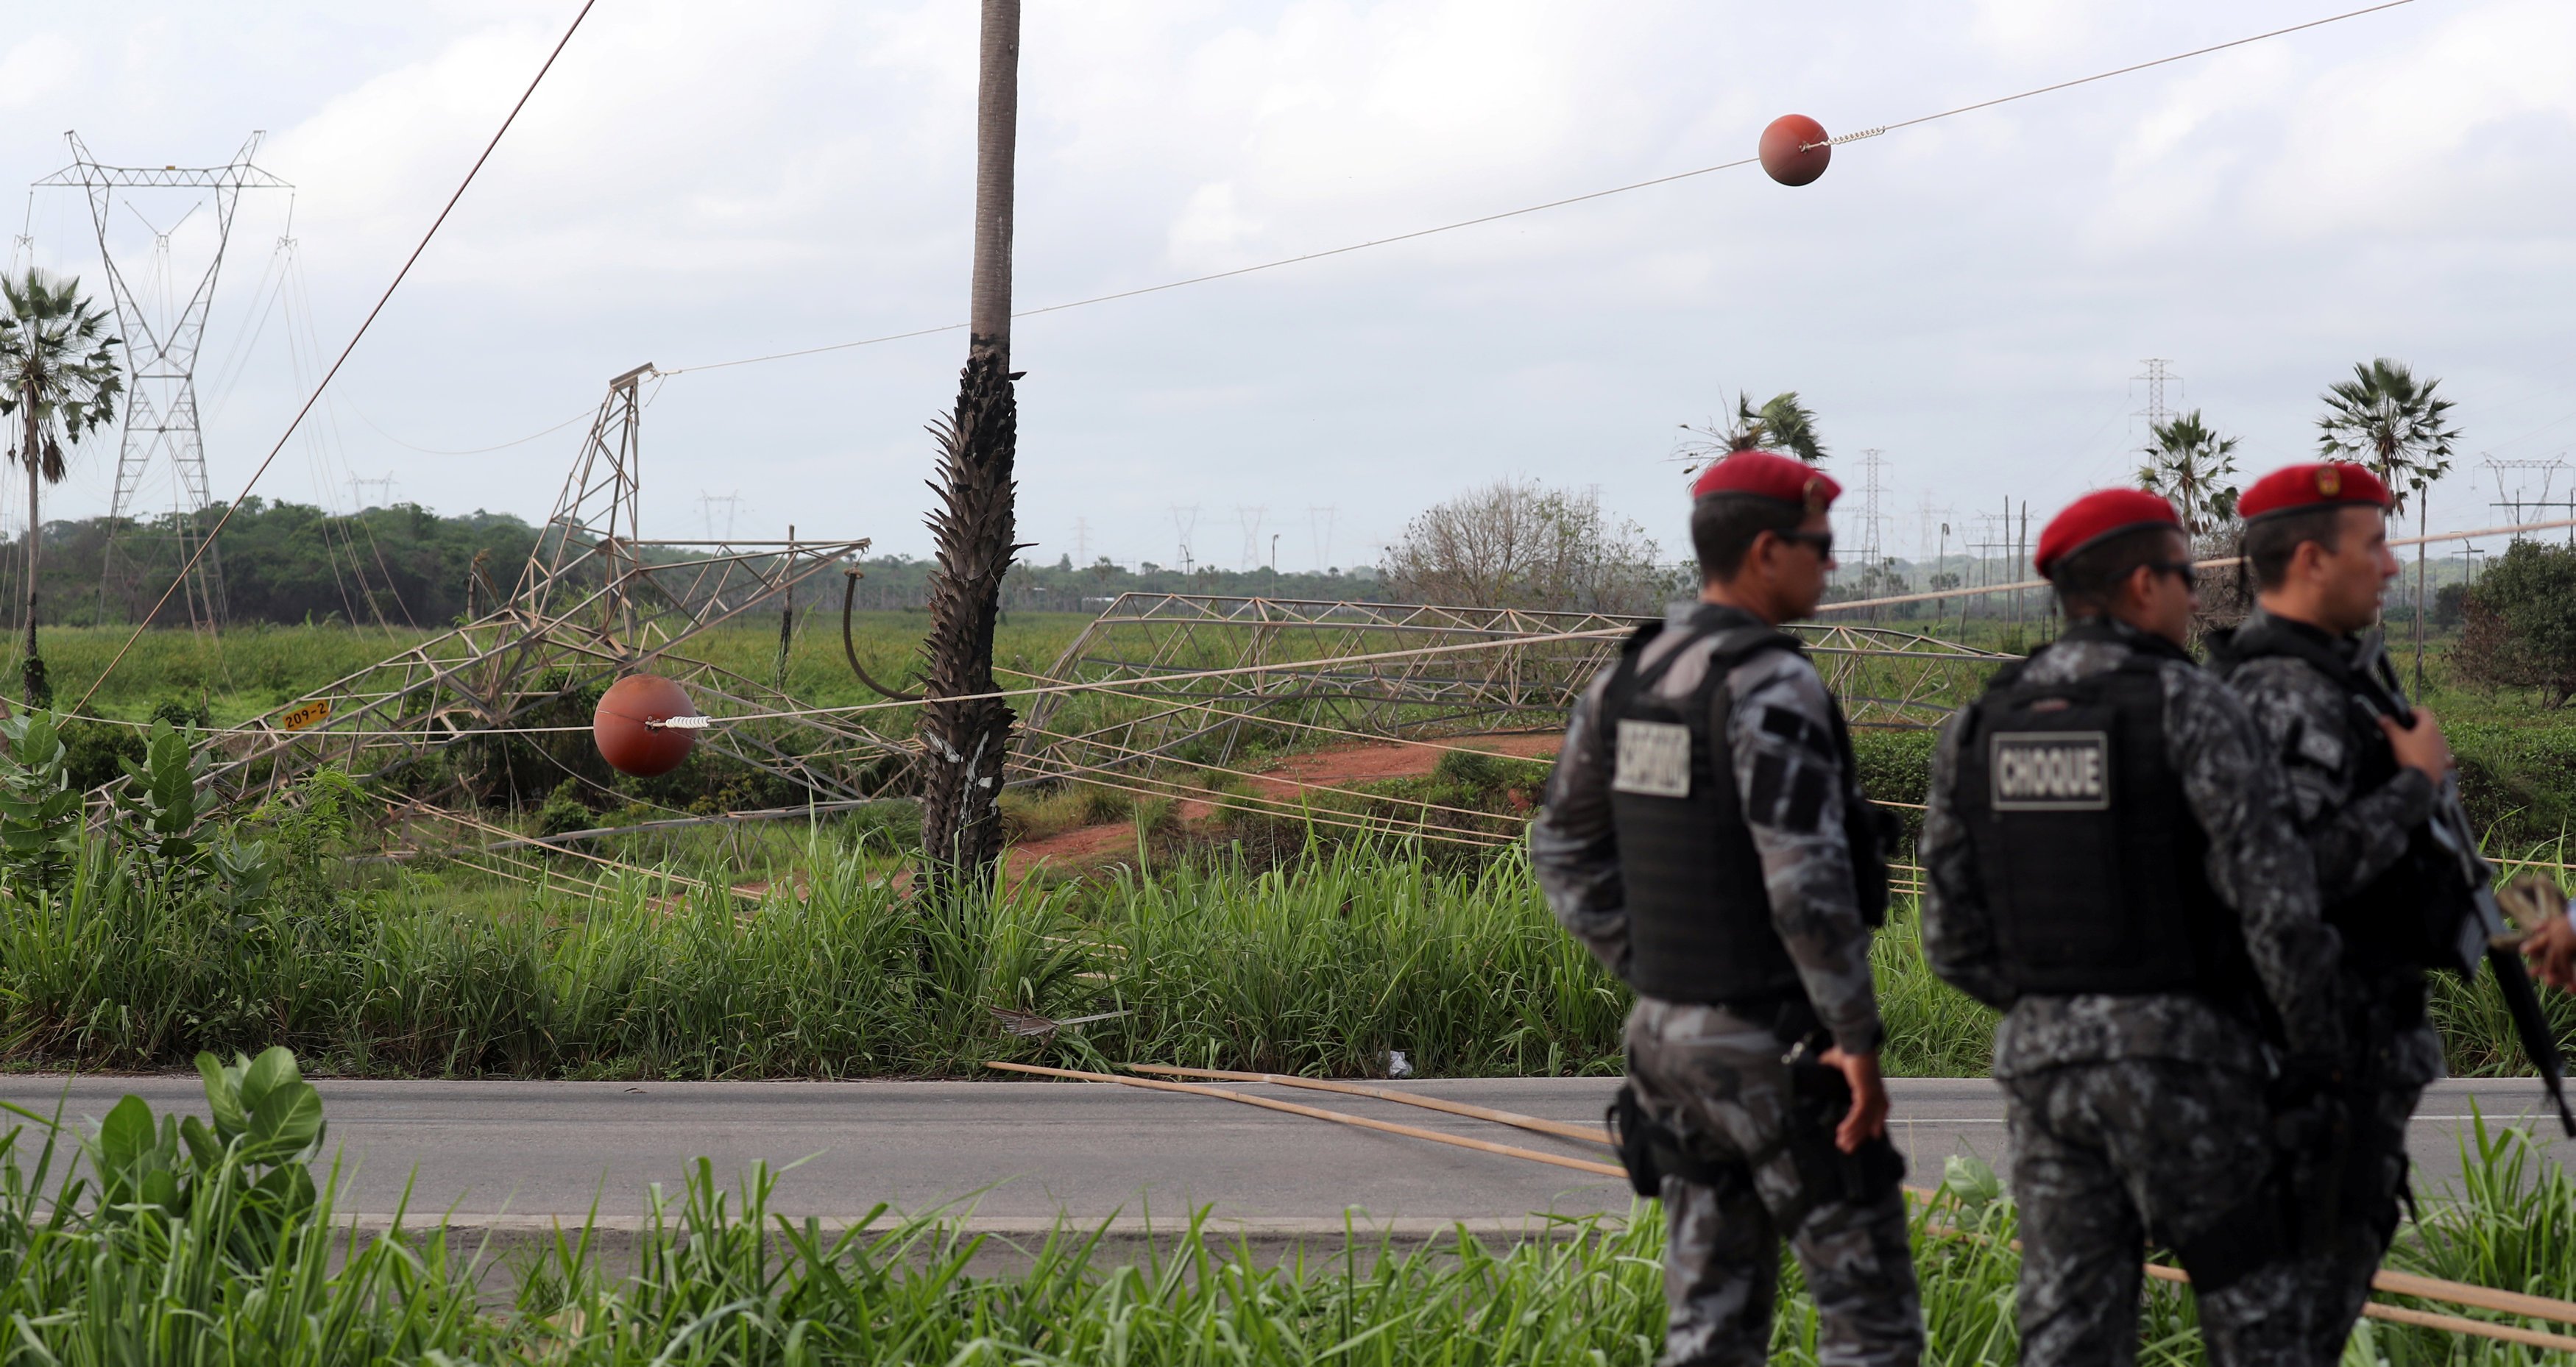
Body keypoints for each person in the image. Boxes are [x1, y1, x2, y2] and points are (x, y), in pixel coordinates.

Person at [1919, 489, 2341, 1367]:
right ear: (2143, 584)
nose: (2197, 600)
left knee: (2068, 1327)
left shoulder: (1976, 726)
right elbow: (2277, 908)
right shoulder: (2192, 707)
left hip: (2043, 1071)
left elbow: (1946, 940)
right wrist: (2306, 1055)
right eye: (2188, 578)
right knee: (2256, 1317)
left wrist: (2056, 1006)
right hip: (2191, 1066)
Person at [1531, 450, 1921, 1367]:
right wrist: (1853, 1038)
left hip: (1666, 1036)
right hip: (1776, 1041)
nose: (1831, 565)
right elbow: (1804, 882)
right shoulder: (1768, 684)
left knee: (1708, 1322)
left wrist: (1657, 965)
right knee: (1871, 1322)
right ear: (1761, 551)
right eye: (1818, 546)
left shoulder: (1625, 681)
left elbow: (1558, 847)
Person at [2204, 462, 2458, 1364]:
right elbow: (2285, 880)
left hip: (2347, 1063)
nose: (2390, 566)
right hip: (2311, 1072)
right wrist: (2413, 790)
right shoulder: (2282, 695)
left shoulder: (2334, 680)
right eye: (2375, 544)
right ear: (2310, 559)